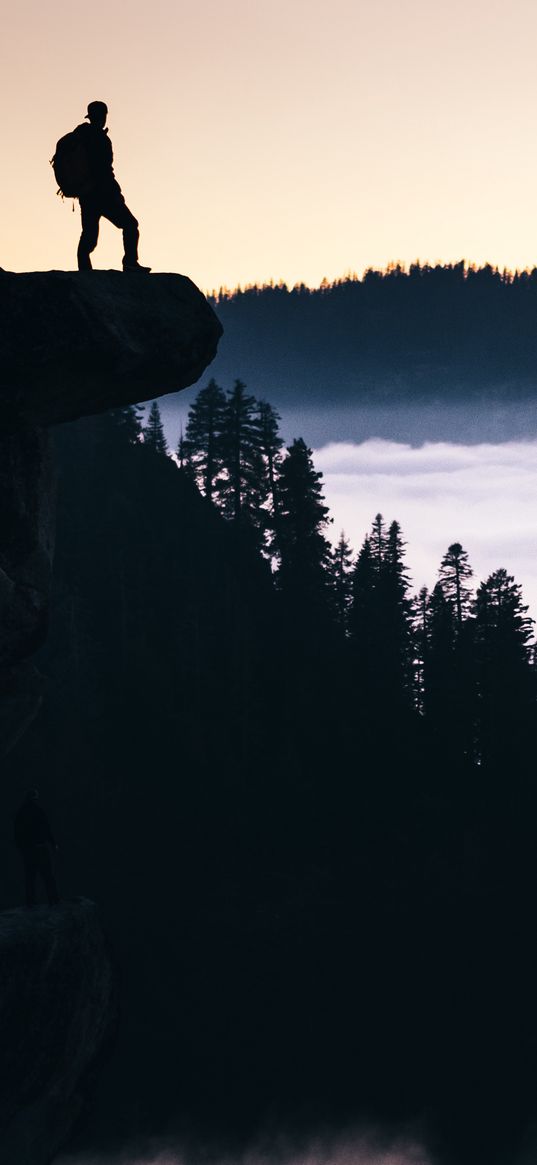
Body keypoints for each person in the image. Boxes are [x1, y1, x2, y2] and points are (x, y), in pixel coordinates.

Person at [75, 100, 151, 273]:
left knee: (89, 235)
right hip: (104, 194)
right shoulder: (100, 139)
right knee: (130, 225)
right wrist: (116, 193)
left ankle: (84, 270)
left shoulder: (80, 136)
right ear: (103, 116)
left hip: (86, 195)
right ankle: (130, 263)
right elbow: (105, 170)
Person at [14, 789, 60, 907]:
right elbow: (47, 828)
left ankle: (31, 902)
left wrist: (22, 849)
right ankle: (53, 900)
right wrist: (53, 843)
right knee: (47, 876)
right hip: (39, 848)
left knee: (30, 877)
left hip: (29, 850)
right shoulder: (38, 811)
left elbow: (17, 834)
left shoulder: (21, 812)